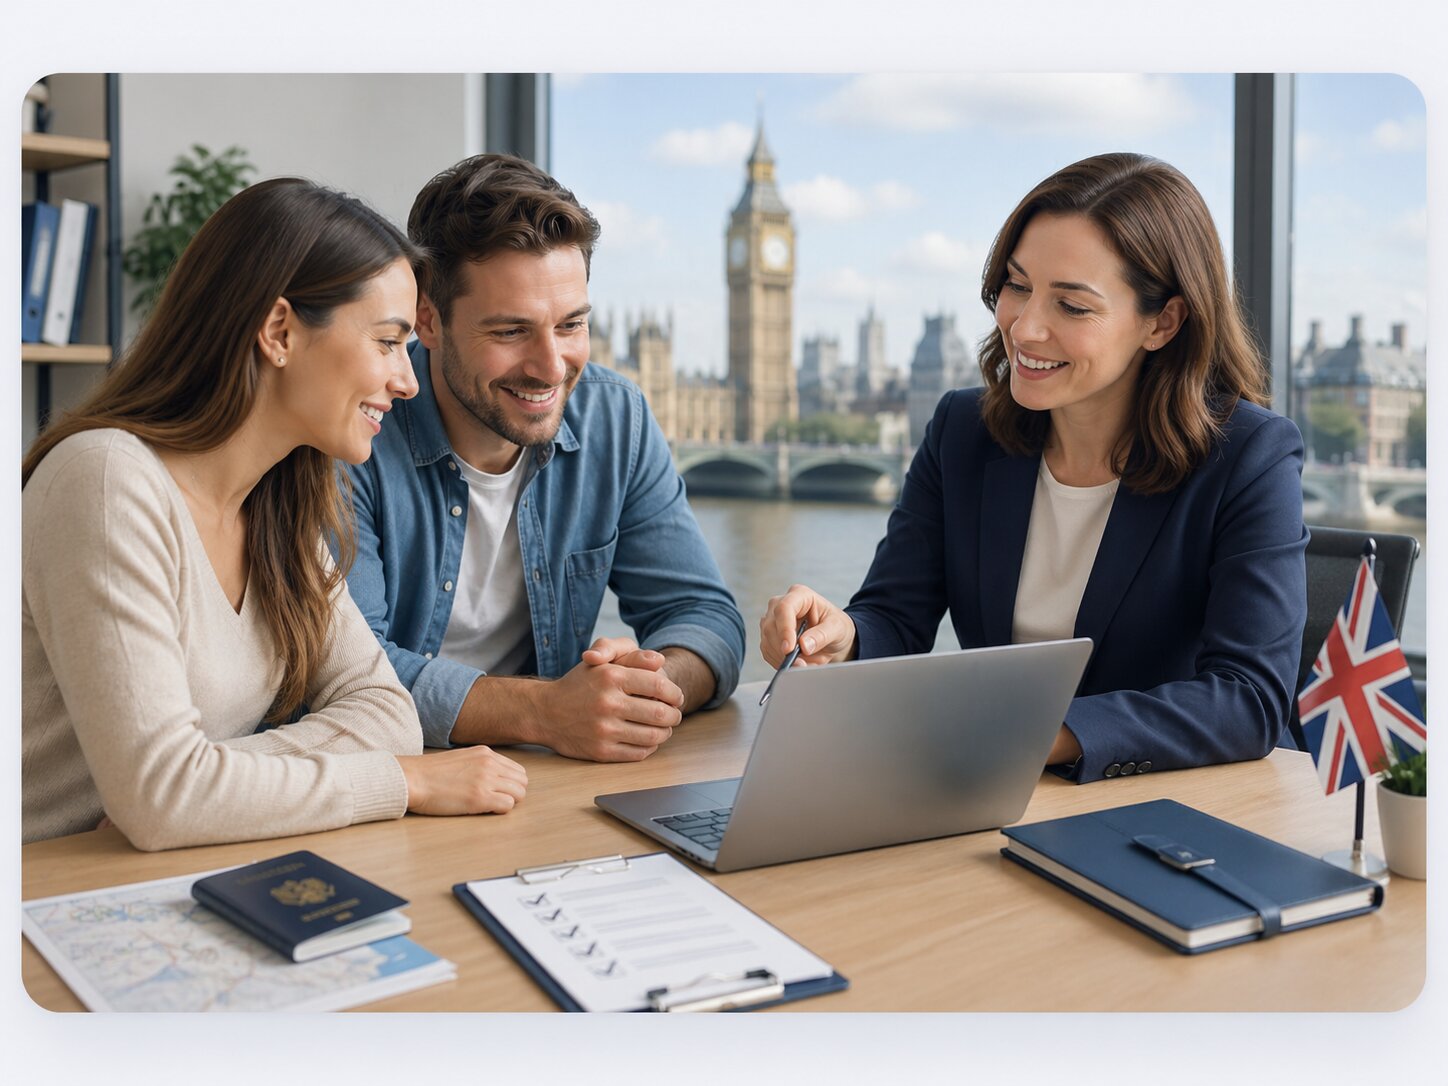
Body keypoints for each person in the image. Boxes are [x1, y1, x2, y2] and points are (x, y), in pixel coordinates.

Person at [760, 153, 1308, 783]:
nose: (1024, 327)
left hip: (1171, 813)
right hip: (982, 793)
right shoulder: (963, 431)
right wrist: (843, 636)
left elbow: (1248, 700)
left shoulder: (1248, 456)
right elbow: (896, 617)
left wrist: (1033, 734)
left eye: (1072, 306)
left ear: (1162, 321)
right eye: (1017, 286)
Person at [22, 178, 527, 850]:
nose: (408, 381)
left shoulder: (281, 505)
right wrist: (404, 783)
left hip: (157, 877)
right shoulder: (108, 480)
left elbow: (388, 716)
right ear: (280, 331)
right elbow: (164, 798)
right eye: (386, 342)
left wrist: (200, 783)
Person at [343, 154, 745, 762]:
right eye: (510, 332)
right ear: (428, 319)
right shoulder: (353, 430)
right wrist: (548, 710)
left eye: (571, 325)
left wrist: (645, 686)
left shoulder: (616, 418)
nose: (552, 368)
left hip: (545, 782)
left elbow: (705, 617)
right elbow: (347, 674)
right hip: (387, 784)